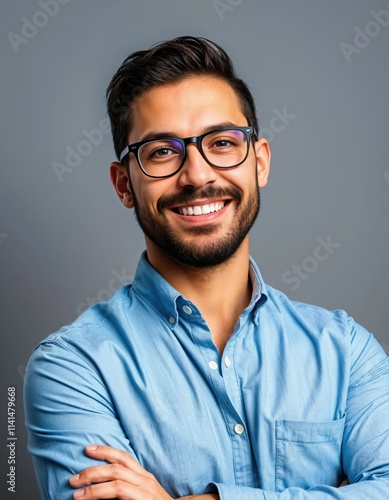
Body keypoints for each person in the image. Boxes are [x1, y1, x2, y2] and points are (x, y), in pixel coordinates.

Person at [24, 36, 389, 499]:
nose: (197, 175)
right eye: (161, 152)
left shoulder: (347, 352)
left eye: (221, 142)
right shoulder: (73, 368)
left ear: (259, 163)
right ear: (124, 186)